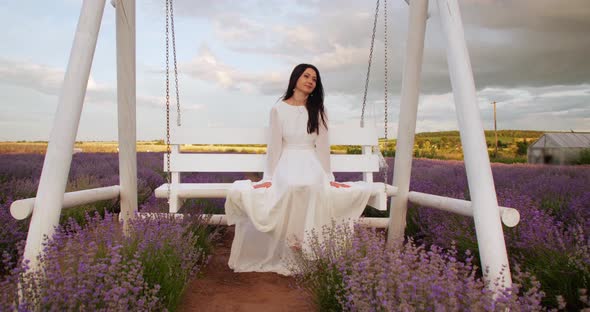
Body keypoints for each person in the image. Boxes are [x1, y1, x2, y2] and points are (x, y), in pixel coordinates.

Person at [225, 64, 373, 275]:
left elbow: (322, 146)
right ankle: (291, 243)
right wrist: (268, 177)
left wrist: (329, 177)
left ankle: (306, 245)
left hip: (310, 160)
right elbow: (275, 146)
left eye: (314, 78)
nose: (311, 80)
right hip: (287, 159)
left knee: (312, 186)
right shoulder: (278, 109)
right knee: (291, 186)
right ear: (295, 78)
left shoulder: (319, 110)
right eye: (306, 76)